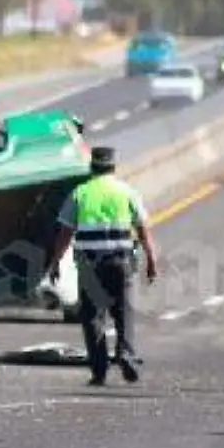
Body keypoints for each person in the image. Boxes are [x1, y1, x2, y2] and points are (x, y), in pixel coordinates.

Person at [46, 146, 159, 386]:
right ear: (113, 167)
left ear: (92, 167)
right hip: (121, 260)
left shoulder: (81, 193)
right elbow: (143, 228)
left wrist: (56, 262)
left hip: (89, 264)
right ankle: (126, 355)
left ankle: (99, 371)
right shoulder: (126, 191)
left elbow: (65, 233)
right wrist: (151, 259)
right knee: (123, 312)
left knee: (93, 317)